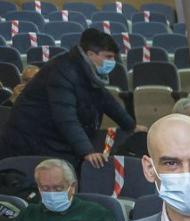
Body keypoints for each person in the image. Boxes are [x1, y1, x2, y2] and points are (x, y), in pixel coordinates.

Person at [0, 28, 140, 166]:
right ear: (90, 54)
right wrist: (87, 151)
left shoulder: (86, 70)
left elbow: (106, 100)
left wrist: (132, 126)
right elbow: (65, 117)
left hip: (52, 140)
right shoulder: (62, 71)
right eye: (108, 57)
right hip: (30, 142)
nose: (112, 62)